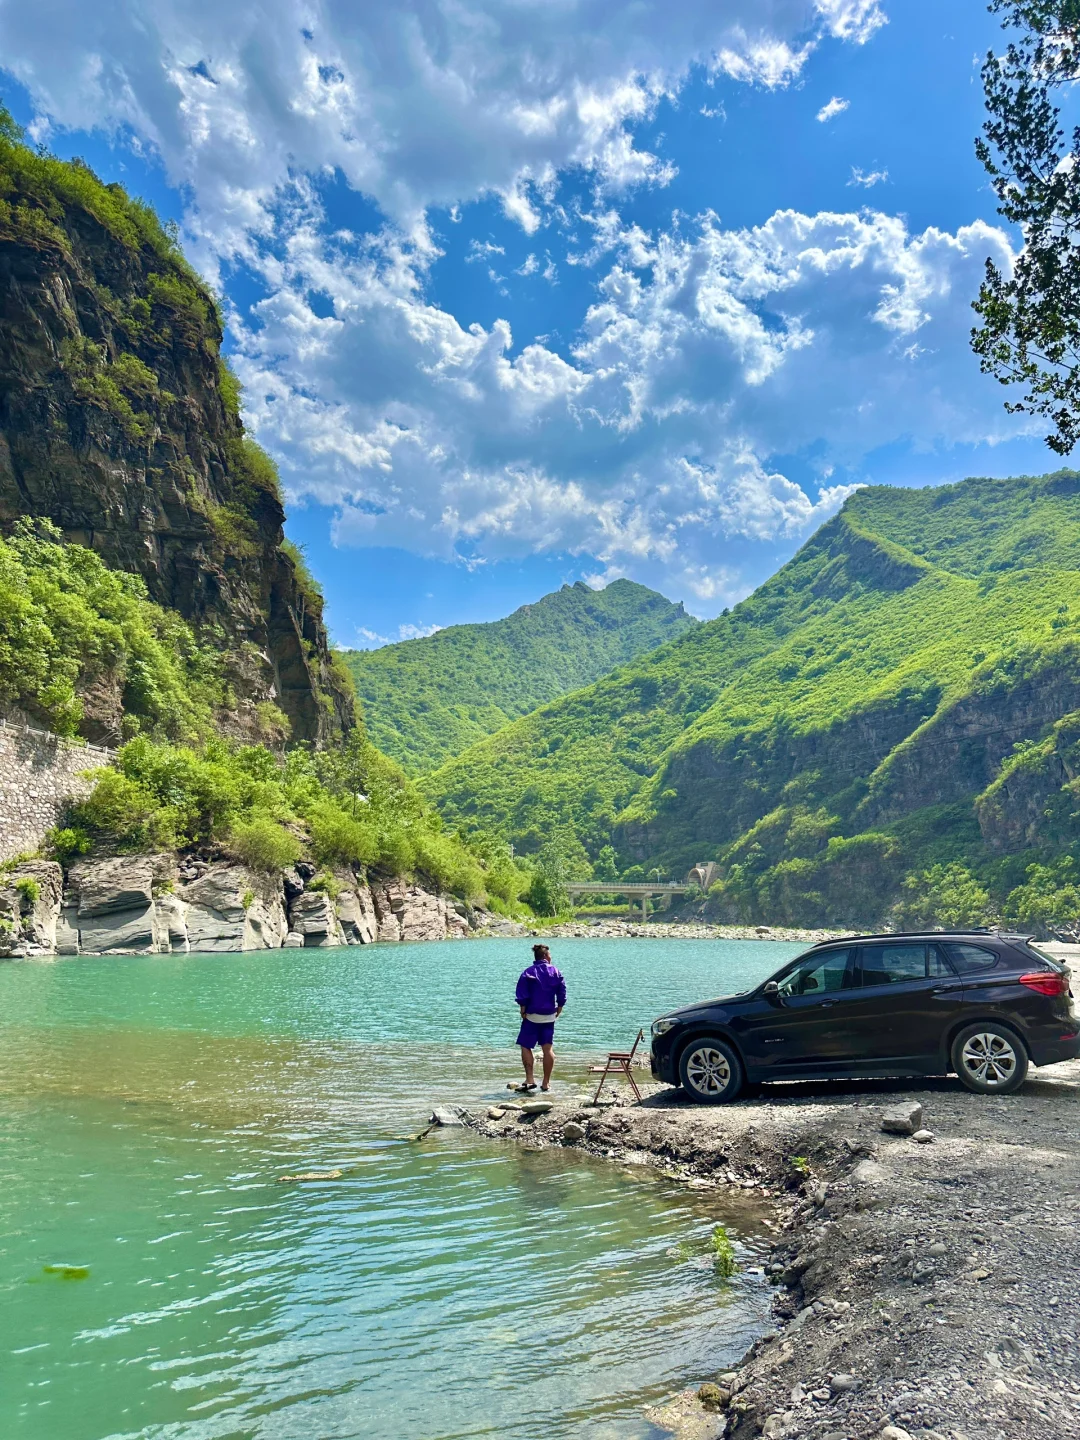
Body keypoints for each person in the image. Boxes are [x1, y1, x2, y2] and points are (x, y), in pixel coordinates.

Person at [514, 943, 566, 1092]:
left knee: (525, 1046)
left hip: (532, 1015)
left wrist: (522, 1009)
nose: (551, 957)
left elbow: (522, 993)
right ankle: (546, 1083)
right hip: (549, 1015)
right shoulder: (555, 971)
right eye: (549, 955)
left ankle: (530, 1079)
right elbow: (562, 991)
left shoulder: (528, 972)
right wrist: (560, 1007)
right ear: (545, 956)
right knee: (547, 1049)